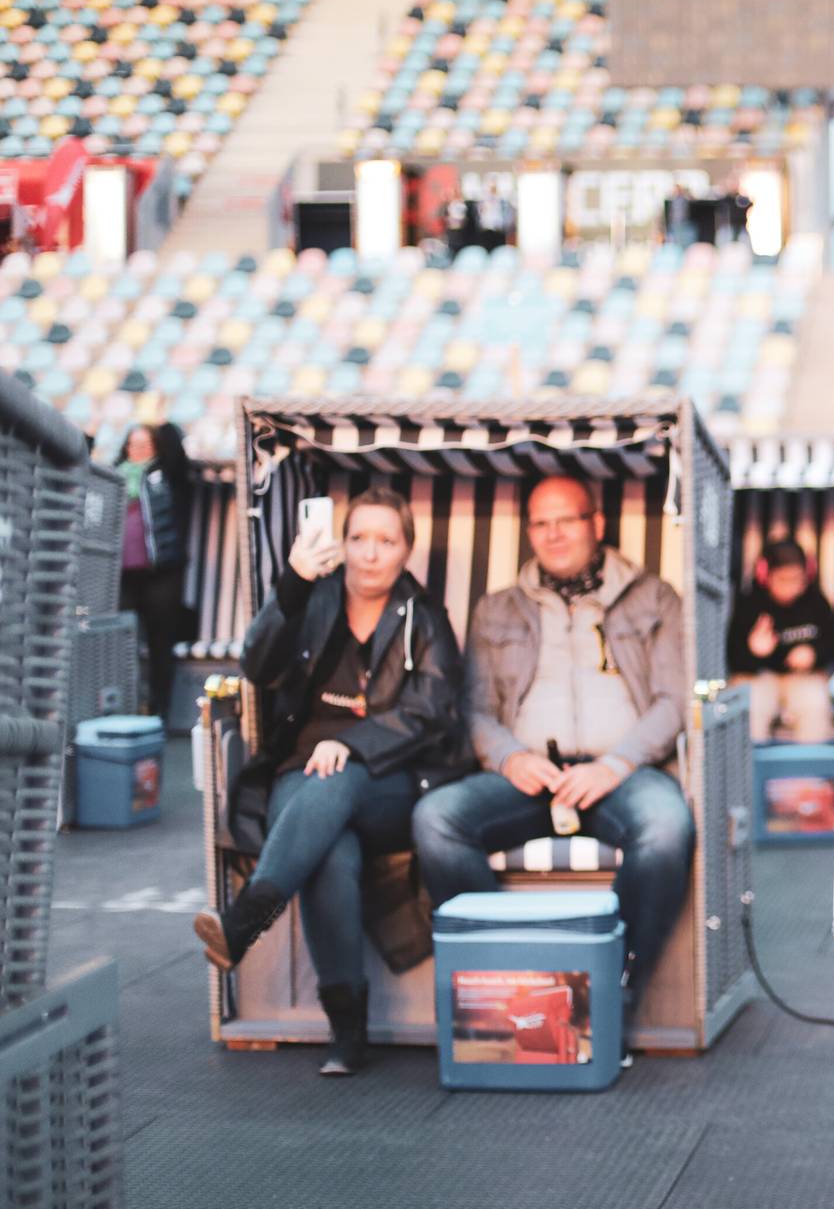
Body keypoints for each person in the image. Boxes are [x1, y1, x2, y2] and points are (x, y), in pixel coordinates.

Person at [192, 488, 468, 1076]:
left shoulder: (425, 617)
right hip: (300, 774)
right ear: (342, 544)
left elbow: (432, 712)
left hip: (390, 780)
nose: (370, 553)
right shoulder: (314, 598)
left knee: (338, 779)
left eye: (386, 540)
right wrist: (292, 584)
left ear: (407, 550)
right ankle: (348, 1032)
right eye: (359, 538)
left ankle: (246, 919)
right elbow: (256, 667)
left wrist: (353, 743)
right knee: (329, 851)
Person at [412, 476, 696, 1022]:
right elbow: (473, 709)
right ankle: (509, 977)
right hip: (528, 776)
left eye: (566, 519)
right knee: (435, 818)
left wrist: (615, 764)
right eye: (541, 523)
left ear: (596, 523)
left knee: (666, 829)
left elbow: (673, 701)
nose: (553, 534)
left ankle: (613, 994)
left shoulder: (654, 597)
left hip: (622, 774)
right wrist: (509, 757)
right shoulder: (496, 608)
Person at [728, 537, 834, 743]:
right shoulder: (749, 605)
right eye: (783, 579)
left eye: (797, 579)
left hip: (802, 678)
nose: (791, 587)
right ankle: (749, 761)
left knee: (815, 701)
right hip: (759, 679)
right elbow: (732, 659)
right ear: (765, 575)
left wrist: (814, 655)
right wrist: (753, 652)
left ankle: (811, 762)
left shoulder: (817, 603)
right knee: (752, 704)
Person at [115, 421, 194, 718]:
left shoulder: (168, 474)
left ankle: (159, 711)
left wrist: (158, 422)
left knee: (161, 644)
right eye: (133, 444)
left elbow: (177, 452)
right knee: (122, 641)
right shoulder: (113, 477)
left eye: (146, 445)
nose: (138, 450)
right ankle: (126, 708)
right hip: (124, 576)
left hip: (162, 573)